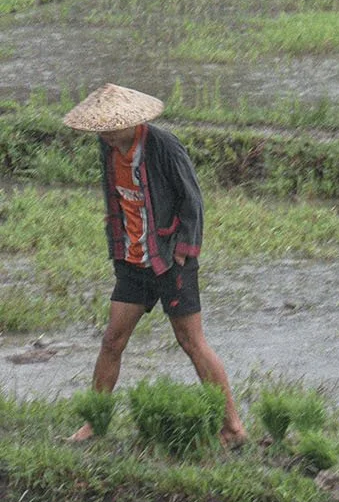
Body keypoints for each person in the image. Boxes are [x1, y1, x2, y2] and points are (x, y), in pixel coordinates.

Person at [63, 83, 246, 447]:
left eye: (112, 127)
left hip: (169, 259)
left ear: (133, 122)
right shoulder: (108, 147)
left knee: (191, 342)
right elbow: (115, 197)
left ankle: (233, 427)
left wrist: (183, 250)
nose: (106, 134)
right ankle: (95, 423)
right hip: (133, 260)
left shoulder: (164, 146)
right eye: (101, 128)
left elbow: (192, 201)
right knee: (112, 341)